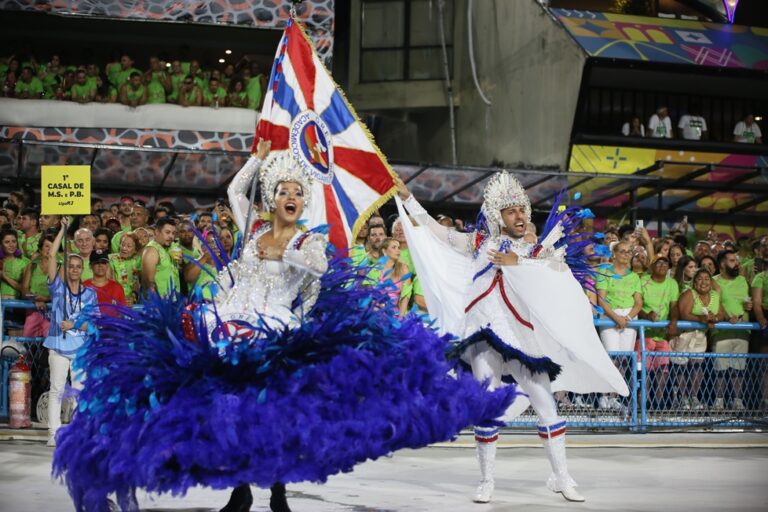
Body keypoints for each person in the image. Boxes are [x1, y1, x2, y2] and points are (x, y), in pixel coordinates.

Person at [53, 144, 517, 512]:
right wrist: (257, 158)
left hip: (274, 338)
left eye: (297, 193)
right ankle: (238, 491)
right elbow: (236, 194)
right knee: (226, 415)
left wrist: (287, 254)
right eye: (282, 192)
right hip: (227, 330)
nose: (291, 198)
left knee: (270, 418)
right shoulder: (253, 231)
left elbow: (316, 269)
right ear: (272, 198)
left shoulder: (307, 240)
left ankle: (276, 493)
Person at [397, 172, 628, 504]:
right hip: (483, 336)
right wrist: (407, 198)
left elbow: (558, 276)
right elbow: (437, 231)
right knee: (487, 407)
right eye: (511, 211)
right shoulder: (477, 242)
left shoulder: (536, 251)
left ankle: (562, 477)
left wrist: (518, 262)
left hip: (522, 339)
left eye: (523, 210)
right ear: (497, 216)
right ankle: (487, 479)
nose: (520, 216)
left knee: (546, 404)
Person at [43, 218, 97, 446]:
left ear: (82, 269)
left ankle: (76, 432)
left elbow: (93, 324)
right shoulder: (57, 289)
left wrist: (74, 325)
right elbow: (52, 256)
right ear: (66, 269)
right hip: (57, 346)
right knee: (56, 390)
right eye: (70, 266)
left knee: (78, 392)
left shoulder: (90, 294)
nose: (74, 269)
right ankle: (53, 433)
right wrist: (63, 230)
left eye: (77, 267)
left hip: (80, 348)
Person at [596, 241, 642, 410]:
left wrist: (627, 317)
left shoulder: (634, 276)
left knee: (623, 360)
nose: (626, 254)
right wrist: (616, 317)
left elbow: (638, 302)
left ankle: (614, 396)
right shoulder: (604, 272)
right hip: (610, 316)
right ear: (614, 253)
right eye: (622, 251)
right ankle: (604, 396)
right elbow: (601, 299)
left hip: (629, 318)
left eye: (629, 252)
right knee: (611, 357)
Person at [675, 269, 725, 410]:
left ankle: (694, 397)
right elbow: (684, 314)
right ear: (694, 282)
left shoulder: (715, 295)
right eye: (700, 279)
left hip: (701, 336)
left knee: (697, 368)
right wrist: (701, 319)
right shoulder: (689, 294)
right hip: (684, 335)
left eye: (707, 279)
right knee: (682, 368)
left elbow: (722, 313)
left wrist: (715, 318)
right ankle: (682, 398)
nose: (704, 282)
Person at [711, 250, 751, 411]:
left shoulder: (742, 280)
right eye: (732, 261)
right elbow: (715, 303)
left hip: (743, 331)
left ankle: (737, 400)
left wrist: (749, 307)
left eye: (737, 261)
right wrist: (727, 317)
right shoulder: (713, 281)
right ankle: (719, 401)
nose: (737, 264)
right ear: (722, 264)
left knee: (738, 369)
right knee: (720, 369)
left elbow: (748, 302)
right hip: (721, 332)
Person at [637, 257, 679, 407]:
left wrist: (673, 321)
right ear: (652, 266)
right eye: (659, 263)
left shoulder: (672, 283)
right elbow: (637, 304)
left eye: (665, 263)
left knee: (663, 369)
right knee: (644, 370)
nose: (662, 266)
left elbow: (674, 305)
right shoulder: (643, 280)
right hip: (644, 334)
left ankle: (659, 403)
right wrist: (647, 315)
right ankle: (644, 402)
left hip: (662, 335)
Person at [141, 217, 180, 298]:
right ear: (157, 232)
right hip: (160, 304)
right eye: (167, 232)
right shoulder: (151, 251)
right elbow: (149, 282)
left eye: (173, 233)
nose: (171, 236)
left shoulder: (170, 247)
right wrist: (158, 305)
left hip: (174, 300)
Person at [84, 249, 127, 314]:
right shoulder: (84, 286)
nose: (100, 265)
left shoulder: (117, 287)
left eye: (103, 262)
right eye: (96, 263)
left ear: (107, 265)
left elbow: (123, 313)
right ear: (90, 266)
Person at [378, 238, 412, 316]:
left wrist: (401, 316)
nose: (398, 250)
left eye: (399, 248)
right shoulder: (375, 269)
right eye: (394, 247)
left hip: (396, 312)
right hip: (377, 311)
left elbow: (406, 295)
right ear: (384, 251)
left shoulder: (403, 268)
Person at [0, 229, 31, 299]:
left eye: (14, 241)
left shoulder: (25, 262)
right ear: (1, 244)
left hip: (18, 305)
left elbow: (25, 290)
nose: (11, 245)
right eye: (7, 242)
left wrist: (5, 277)